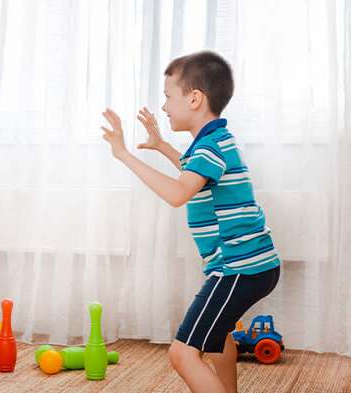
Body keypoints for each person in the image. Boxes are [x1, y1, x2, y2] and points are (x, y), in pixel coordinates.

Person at [101, 51, 280, 393]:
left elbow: (178, 193)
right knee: (216, 340)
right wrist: (162, 145)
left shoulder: (209, 147)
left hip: (237, 268)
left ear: (195, 98)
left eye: (169, 96)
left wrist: (124, 155)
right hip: (253, 265)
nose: (165, 106)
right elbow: (195, 173)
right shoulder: (215, 141)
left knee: (182, 354)